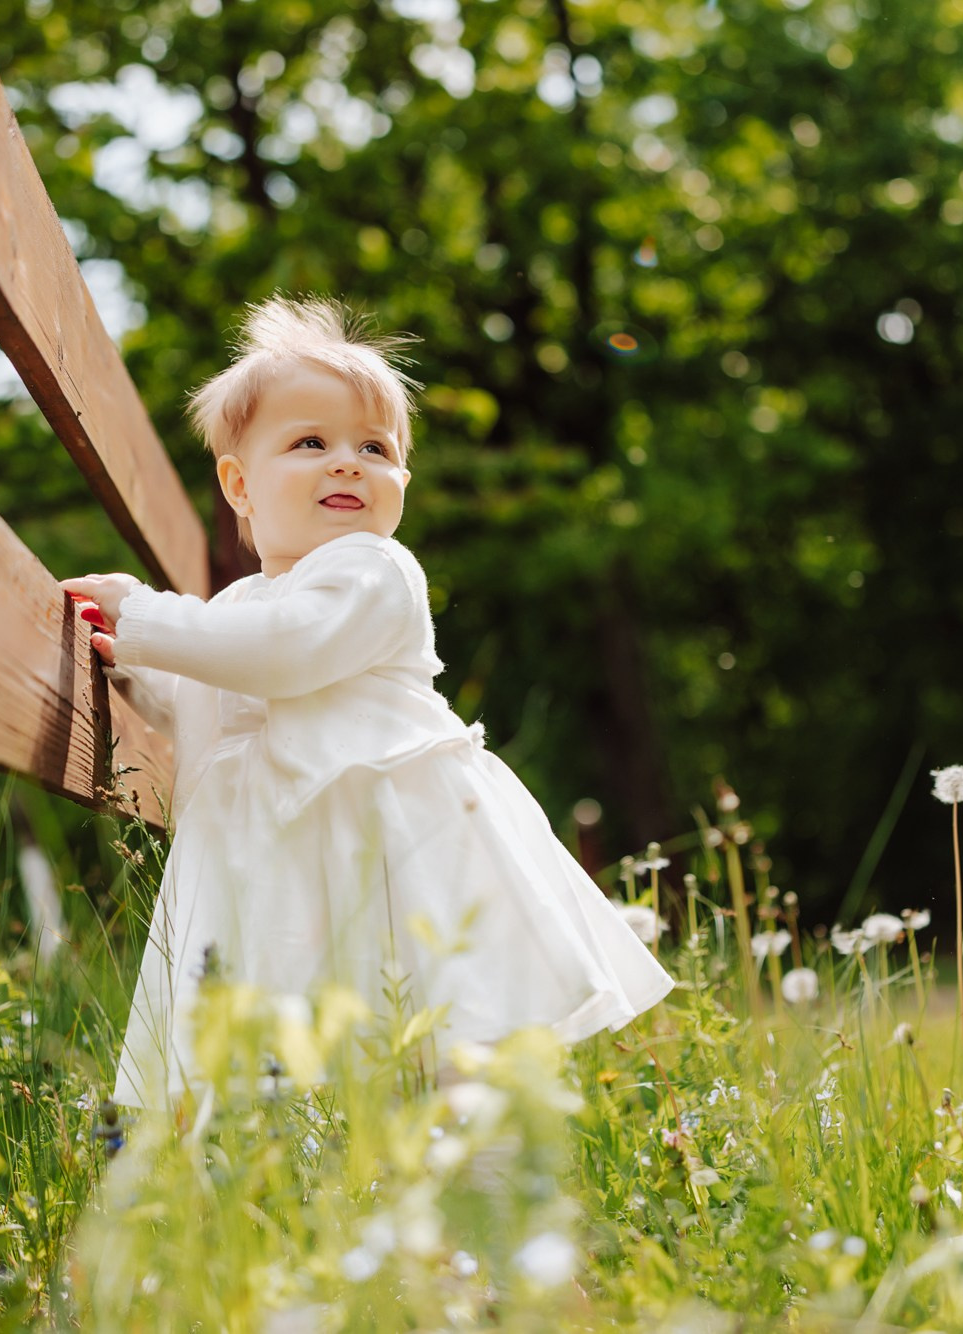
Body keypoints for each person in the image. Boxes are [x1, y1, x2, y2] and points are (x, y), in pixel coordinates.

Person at [61, 295, 674, 1113]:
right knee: (293, 1058)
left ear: (402, 483)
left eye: (374, 448)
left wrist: (143, 616)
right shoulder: (243, 605)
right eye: (310, 442)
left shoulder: (372, 571)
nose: (348, 462)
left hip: (396, 856)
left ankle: (478, 1205)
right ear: (240, 484)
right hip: (295, 863)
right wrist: (135, 670)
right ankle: (311, 1196)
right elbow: (219, 686)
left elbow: (286, 654)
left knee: (446, 1046)